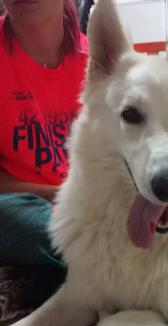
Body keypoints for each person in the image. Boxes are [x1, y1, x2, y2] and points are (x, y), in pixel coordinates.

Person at [0, 0, 88, 305]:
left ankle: (68, 268)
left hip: (95, 204)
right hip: (30, 208)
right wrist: (59, 194)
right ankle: (89, 266)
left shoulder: (101, 59)